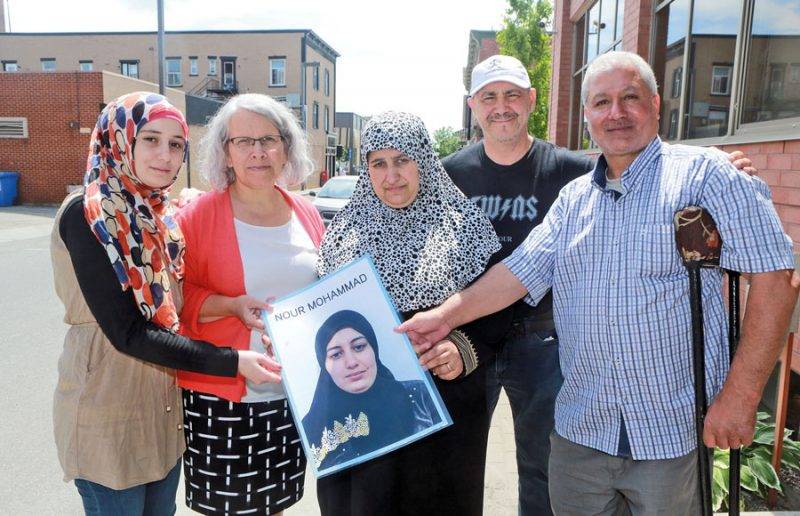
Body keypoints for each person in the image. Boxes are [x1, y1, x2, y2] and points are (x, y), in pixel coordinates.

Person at [401, 51, 799, 515]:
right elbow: (516, 273)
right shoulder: (574, 200)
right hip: (582, 433)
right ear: (586, 114)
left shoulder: (705, 176)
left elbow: (776, 279)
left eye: (629, 98)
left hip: (669, 435)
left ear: (655, 103)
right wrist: (440, 318)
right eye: (601, 102)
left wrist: (741, 398)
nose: (616, 113)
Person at [51, 91, 279, 515]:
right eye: (151, 139)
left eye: (176, 144)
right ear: (120, 141)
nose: (166, 155)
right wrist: (233, 361)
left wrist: (231, 306)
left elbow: (176, 303)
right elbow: (129, 332)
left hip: (163, 409)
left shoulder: (160, 217)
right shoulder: (87, 213)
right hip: (108, 409)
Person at [315, 111, 501, 515]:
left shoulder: (463, 225)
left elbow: (501, 311)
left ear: (425, 161)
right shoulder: (343, 232)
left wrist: (462, 348)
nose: (391, 175)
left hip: (445, 408)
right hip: (366, 414)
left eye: (403, 160)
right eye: (378, 163)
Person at [175, 93, 324, 515]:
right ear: (226, 151)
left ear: (286, 148)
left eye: (269, 139)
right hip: (223, 395)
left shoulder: (307, 214)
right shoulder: (196, 217)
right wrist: (231, 305)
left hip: (289, 394)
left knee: (276, 506)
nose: (258, 152)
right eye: (243, 141)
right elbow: (174, 301)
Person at [303, 309, 440, 471]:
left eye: (359, 347)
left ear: (374, 349)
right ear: (324, 365)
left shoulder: (419, 394)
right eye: (336, 354)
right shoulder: (313, 426)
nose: (351, 362)